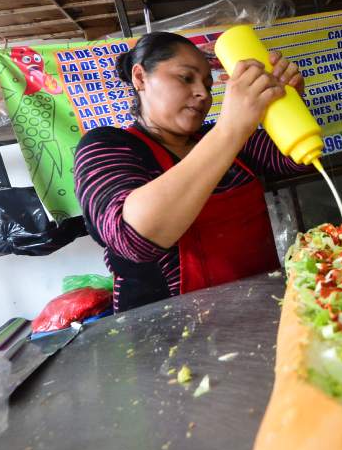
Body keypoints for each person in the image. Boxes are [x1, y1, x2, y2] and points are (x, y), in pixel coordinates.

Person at [74, 31, 309, 312]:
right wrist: (230, 129)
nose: (203, 94)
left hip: (261, 305)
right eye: (186, 78)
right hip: (172, 330)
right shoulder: (106, 146)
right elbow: (132, 239)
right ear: (140, 78)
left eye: (208, 85)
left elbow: (295, 159)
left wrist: (287, 107)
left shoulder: (223, 138)